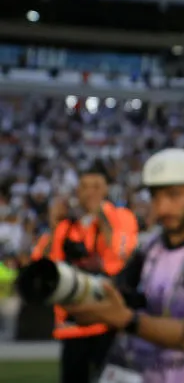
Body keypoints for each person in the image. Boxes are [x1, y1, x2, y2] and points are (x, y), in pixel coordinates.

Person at [65, 148, 184, 383]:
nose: (162, 208)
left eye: (174, 194)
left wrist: (126, 319)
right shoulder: (149, 247)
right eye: (156, 196)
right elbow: (117, 288)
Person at [31, 161, 138, 383]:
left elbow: (121, 256)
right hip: (72, 324)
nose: (90, 192)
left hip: (108, 321)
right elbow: (43, 266)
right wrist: (53, 225)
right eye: (84, 187)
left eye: (96, 187)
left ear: (107, 189)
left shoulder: (121, 216)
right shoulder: (66, 224)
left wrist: (100, 216)